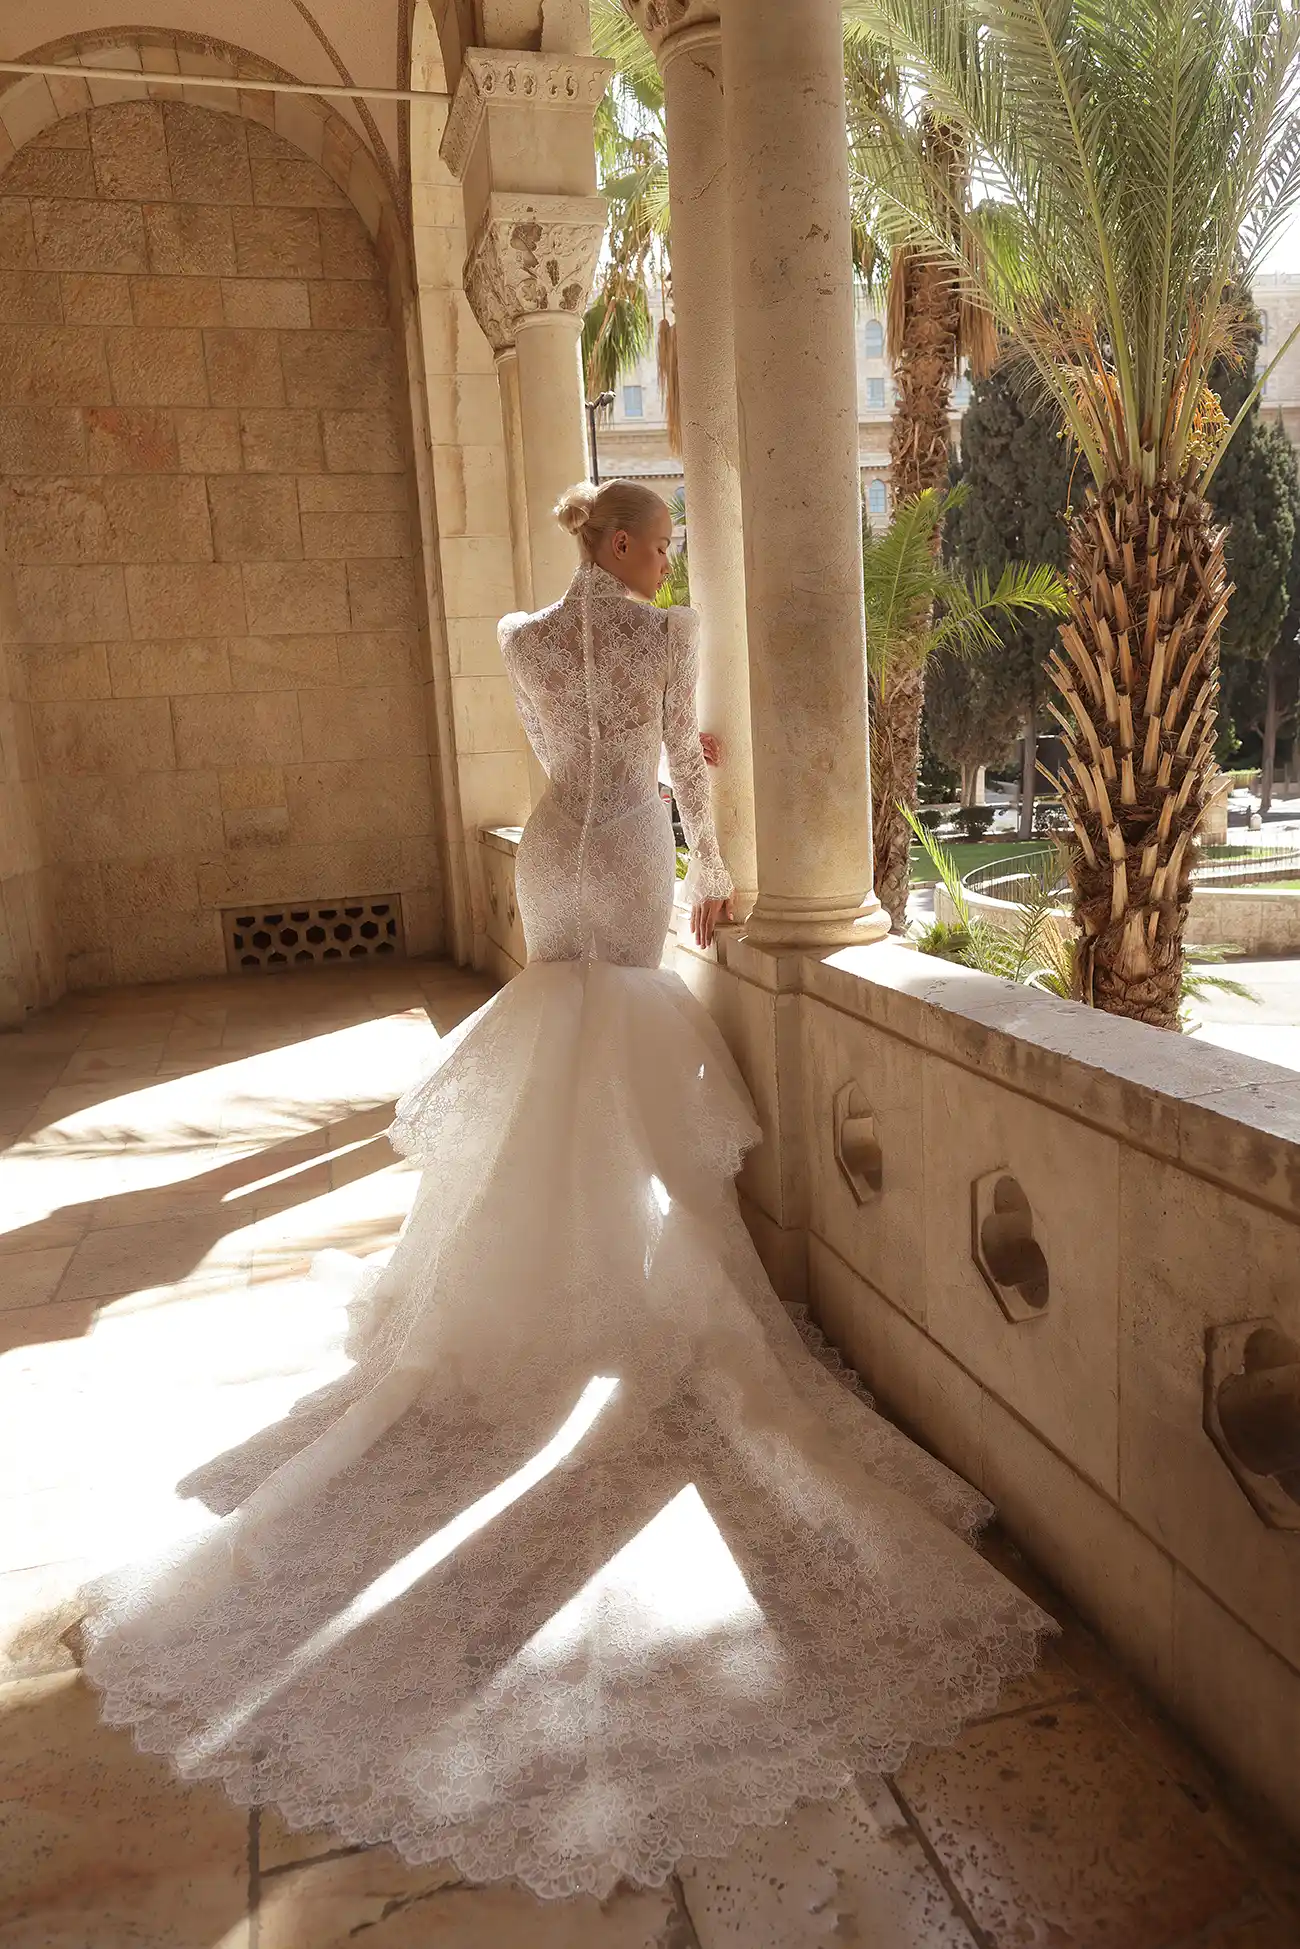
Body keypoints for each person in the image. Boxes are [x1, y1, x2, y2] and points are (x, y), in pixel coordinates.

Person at [81, 480, 1052, 1901]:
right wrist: (712, 874)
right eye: (655, 540)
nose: (665, 559)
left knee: (562, 1040)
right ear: (621, 543)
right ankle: (621, 1284)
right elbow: (683, 773)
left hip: (555, 849)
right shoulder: (663, 634)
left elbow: (561, 756)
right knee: (633, 1034)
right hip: (634, 854)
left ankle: (528, 1283)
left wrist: (645, 806)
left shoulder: (523, 633)